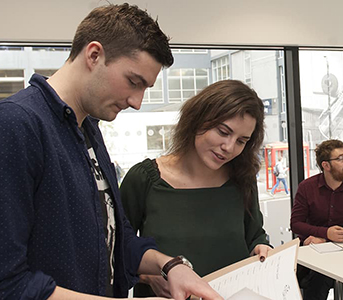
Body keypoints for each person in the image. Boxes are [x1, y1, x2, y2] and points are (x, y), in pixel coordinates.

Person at [0, 3, 222, 300]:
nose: (137, 102)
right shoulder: (17, 125)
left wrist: (170, 266)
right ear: (94, 55)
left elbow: (115, 237)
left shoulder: (89, 128)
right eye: (134, 82)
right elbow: (9, 283)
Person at [121, 80, 271, 297]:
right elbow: (116, 249)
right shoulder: (144, 179)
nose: (229, 147)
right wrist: (150, 276)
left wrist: (262, 249)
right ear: (197, 119)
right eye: (223, 132)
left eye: (241, 141)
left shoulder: (242, 180)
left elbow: (255, 235)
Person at [290, 139, 343, 300]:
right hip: (309, 249)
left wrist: (326, 238)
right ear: (326, 165)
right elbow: (296, 223)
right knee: (286, 280)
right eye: (340, 158)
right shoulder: (307, 187)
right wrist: (325, 233)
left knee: (320, 279)